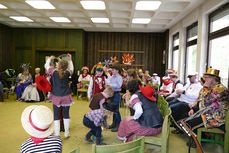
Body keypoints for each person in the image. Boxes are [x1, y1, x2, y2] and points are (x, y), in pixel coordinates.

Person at [180, 68, 229, 147]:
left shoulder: (220, 89)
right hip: (207, 113)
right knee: (184, 121)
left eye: (207, 77)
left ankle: (199, 141)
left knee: (188, 124)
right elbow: (200, 101)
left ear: (214, 79)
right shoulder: (209, 88)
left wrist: (205, 87)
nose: (204, 79)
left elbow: (207, 101)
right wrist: (193, 109)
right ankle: (199, 137)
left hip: (217, 117)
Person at [45, 54, 74, 138]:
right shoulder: (67, 72)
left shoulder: (53, 72)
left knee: (56, 115)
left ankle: (57, 134)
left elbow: (46, 66)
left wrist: (49, 59)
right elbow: (72, 68)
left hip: (56, 96)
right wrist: (70, 60)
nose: (57, 64)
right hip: (66, 96)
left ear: (59, 66)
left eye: (58, 63)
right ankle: (66, 133)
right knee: (66, 115)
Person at [106, 64, 123, 132]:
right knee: (113, 110)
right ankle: (114, 124)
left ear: (117, 70)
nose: (112, 71)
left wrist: (110, 84)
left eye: (113, 70)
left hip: (116, 94)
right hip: (112, 94)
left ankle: (118, 125)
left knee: (116, 110)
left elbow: (119, 85)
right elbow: (109, 82)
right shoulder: (112, 76)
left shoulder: (119, 77)